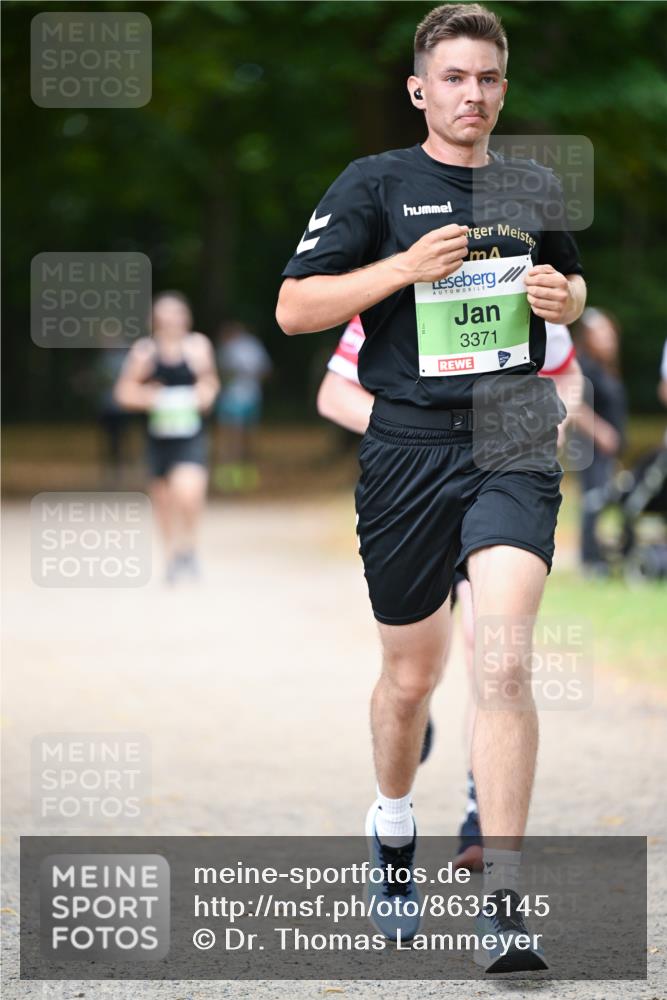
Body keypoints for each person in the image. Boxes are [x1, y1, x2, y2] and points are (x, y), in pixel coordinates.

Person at [277, 2, 586, 971]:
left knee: (499, 662)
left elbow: (571, 292)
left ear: (504, 86)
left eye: (488, 78)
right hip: (405, 447)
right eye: (454, 77)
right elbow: (293, 309)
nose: (473, 95)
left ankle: (503, 897)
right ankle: (394, 818)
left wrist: (563, 297)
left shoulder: (532, 186)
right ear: (420, 88)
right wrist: (401, 267)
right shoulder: (374, 183)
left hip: (511, 438)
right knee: (410, 679)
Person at [318, 316, 583, 875]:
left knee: (491, 652)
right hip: (416, 477)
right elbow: (334, 390)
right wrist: (413, 429)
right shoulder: (400, 288)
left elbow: (568, 376)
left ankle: (477, 809)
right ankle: (398, 794)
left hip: (500, 478)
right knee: (416, 673)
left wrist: (550, 422)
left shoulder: (520, 279)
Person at [114, 291, 219, 583]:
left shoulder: (197, 347)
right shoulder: (144, 351)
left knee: (189, 493)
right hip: (158, 437)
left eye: (177, 314)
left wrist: (200, 396)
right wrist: (150, 397)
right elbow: (123, 392)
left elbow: (210, 384)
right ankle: (172, 555)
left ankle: (189, 546)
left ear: (187, 317)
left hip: (190, 435)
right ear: (155, 319)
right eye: (165, 315)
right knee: (163, 500)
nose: (172, 320)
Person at [569, 308, 627, 575]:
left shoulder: (607, 370)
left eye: (610, 335)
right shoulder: (584, 365)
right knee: (593, 500)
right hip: (589, 447)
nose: (608, 341)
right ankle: (590, 560)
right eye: (601, 335)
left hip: (605, 452)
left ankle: (602, 554)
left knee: (603, 499)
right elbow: (574, 405)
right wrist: (601, 431)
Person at [214, 320, 272, 492]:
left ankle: (240, 474)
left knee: (237, 436)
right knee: (236, 436)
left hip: (241, 398)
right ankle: (234, 473)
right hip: (240, 398)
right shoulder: (247, 346)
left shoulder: (237, 347)